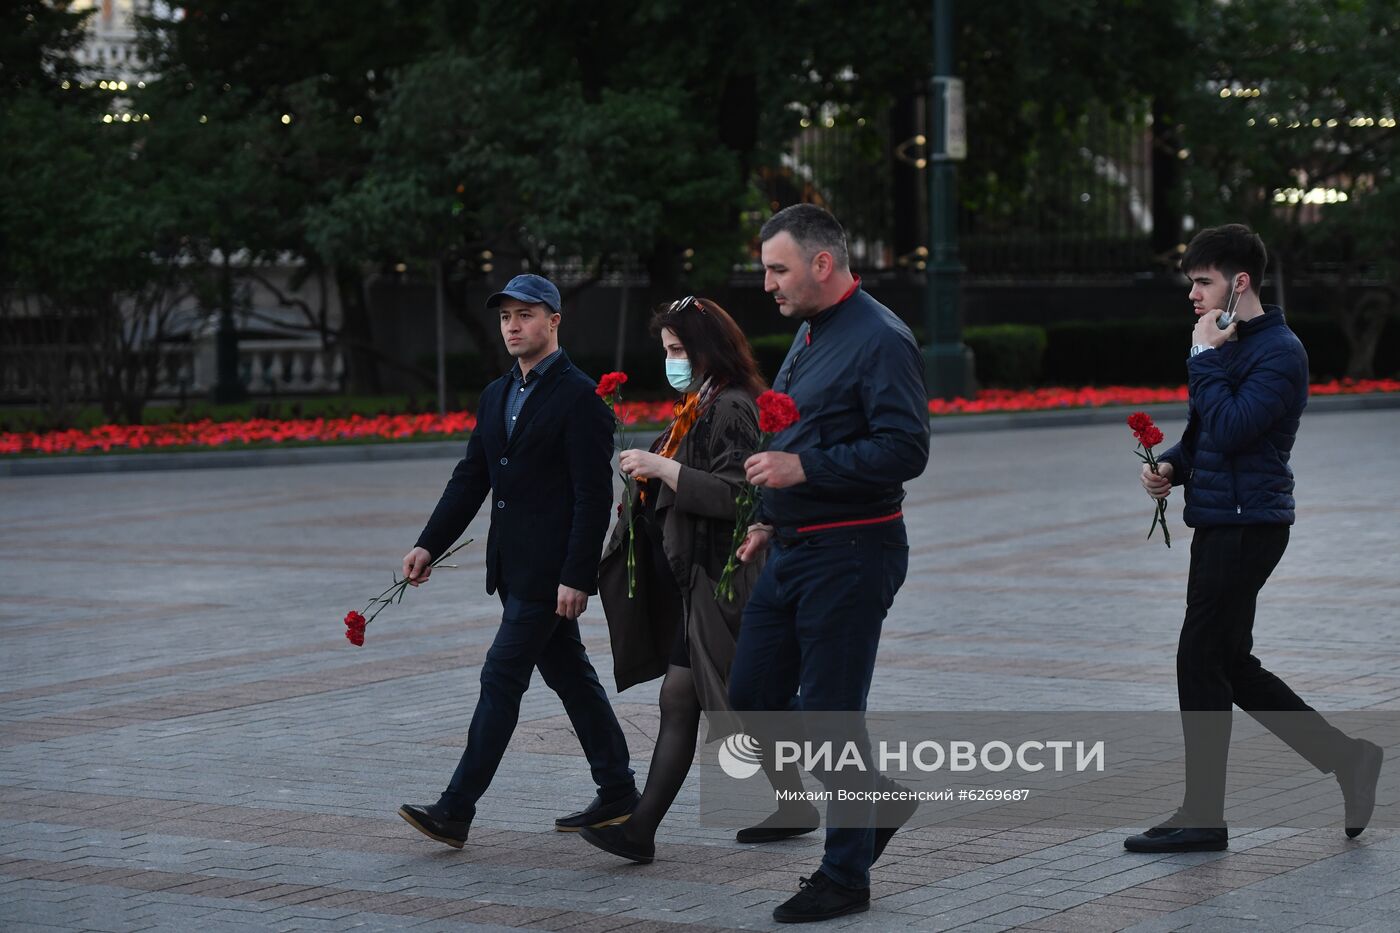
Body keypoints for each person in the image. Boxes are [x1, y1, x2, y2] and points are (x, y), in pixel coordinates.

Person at [1123, 224, 1383, 854]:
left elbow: (1238, 428)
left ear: (1239, 283)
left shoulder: (1279, 352)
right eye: (1191, 284)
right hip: (1220, 521)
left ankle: (1205, 815)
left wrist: (1204, 359)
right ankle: (1347, 761)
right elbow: (1211, 434)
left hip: (1250, 526)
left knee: (1198, 658)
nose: (1193, 296)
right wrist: (1172, 467)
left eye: (1202, 282)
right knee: (1229, 663)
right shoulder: (1227, 342)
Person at [728, 204, 930, 923]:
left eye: (777, 269)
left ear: (822, 263)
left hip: (852, 552)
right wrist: (765, 516)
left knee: (834, 716)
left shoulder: (880, 338)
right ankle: (876, 800)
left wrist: (802, 469)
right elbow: (799, 431)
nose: (768, 285)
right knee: (750, 692)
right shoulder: (812, 331)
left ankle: (845, 876)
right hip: (793, 546)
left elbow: (907, 450)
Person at [396, 273, 637, 849]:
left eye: (525, 315)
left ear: (554, 321)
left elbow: (592, 496)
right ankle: (619, 791)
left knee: (501, 676)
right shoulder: (497, 393)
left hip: (549, 577)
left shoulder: (580, 397)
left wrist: (576, 576)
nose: (512, 325)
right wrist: (428, 543)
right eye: (505, 316)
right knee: (571, 677)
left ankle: (456, 808)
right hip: (512, 571)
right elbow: (472, 477)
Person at [580, 295, 790, 864]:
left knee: (714, 699)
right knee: (718, 699)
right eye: (667, 350)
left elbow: (743, 494)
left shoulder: (730, 407)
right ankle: (644, 830)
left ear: (705, 348)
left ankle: (640, 830)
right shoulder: (702, 402)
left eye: (678, 349)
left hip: (726, 578)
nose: (671, 360)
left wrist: (662, 469)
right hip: (703, 577)